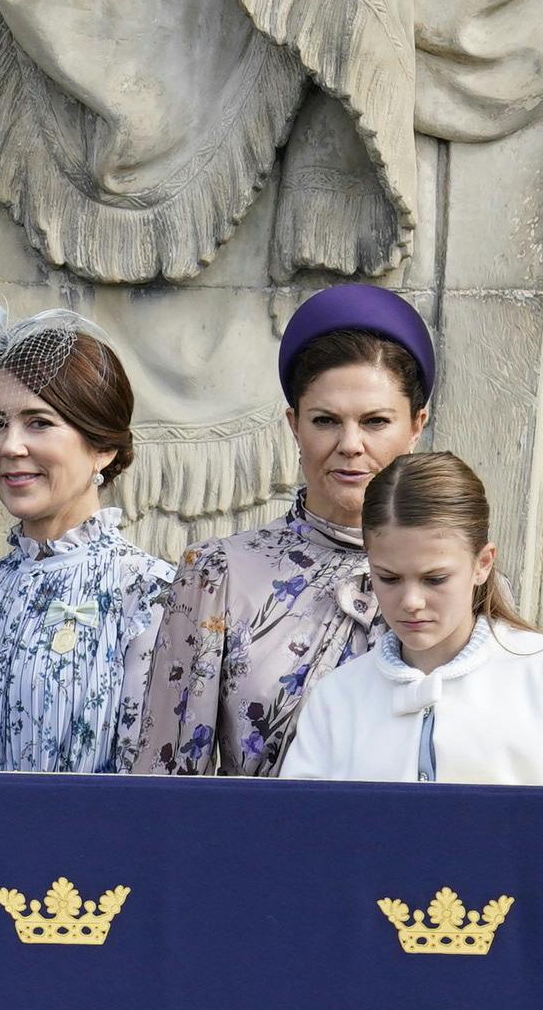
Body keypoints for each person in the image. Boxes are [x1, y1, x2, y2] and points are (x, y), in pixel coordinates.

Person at [131, 283, 432, 776]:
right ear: (294, 424)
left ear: (416, 425)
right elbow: (163, 784)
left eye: (376, 421)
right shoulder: (217, 575)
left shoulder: (463, 581)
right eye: (326, 420)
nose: (350, 444)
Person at [0, 305, 174, 772]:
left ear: (102, 447)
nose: (10, 446)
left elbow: (152, 795)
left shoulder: (150, 596)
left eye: (38, 422)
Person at [282, 452, 543, 785]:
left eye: (435, 579)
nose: (411, 602)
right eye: (388, 577)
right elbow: (298, 837)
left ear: (483, 564)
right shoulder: (338, 696)